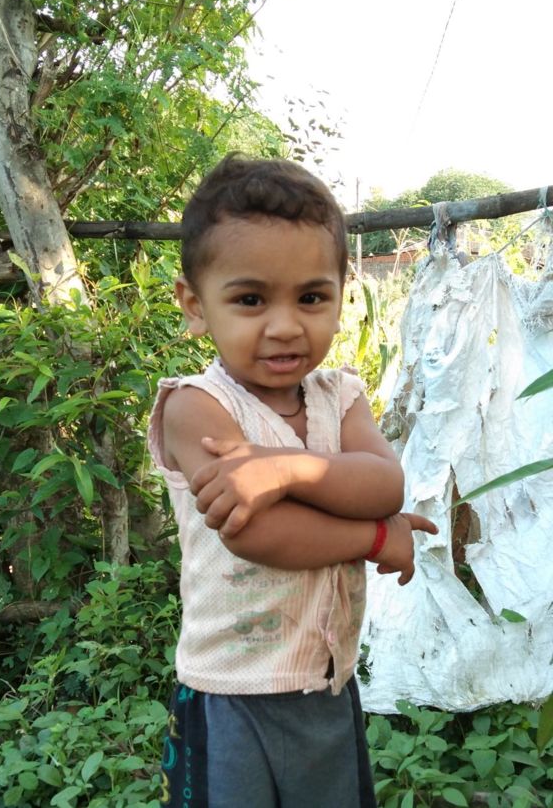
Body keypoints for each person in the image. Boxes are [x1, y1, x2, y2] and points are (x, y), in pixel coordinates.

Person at [147, 153, 438, 807]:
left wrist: (283, 467)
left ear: (341, 294)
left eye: (311, 297)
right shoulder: (198, 407)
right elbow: (258, 533)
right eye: (250, 299)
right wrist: (375, 538)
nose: (284, 326)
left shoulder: (340, 396)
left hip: (325, 684)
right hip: (233, 692)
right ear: (195, 305)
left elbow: (383, 483)